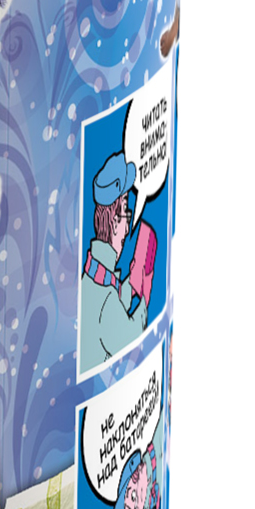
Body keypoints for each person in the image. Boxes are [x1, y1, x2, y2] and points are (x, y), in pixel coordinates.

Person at [82, 152, 152, 365]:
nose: (127, 228)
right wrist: (144, 298)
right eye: (125, 215)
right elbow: (129, 335)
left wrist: (132, 283)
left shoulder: (93, 277)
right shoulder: (106, 299)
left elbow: (114, 299)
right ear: (113, 222)